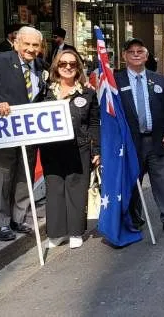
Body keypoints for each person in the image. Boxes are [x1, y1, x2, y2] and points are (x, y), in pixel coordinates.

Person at [0, 26, 48, 241]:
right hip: (4, 130)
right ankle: (0, 223)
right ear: (16, 43)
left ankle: (19, 218)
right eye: (26, 44)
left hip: (30, 132)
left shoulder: (41, 67)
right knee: (1, 176)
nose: (30, 49)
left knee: (24, 176)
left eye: (35, 45)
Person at [114, 38, 164, 236]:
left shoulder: (160, 80)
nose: (136, 54)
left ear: (146, 55)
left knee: (163, 183)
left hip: (158, 141)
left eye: (140, 51)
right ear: (125, 56)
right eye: (131, 51)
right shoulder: (116, 82)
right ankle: (134, 219)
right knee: (133, 184)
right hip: (131, 144)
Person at [40, 50, 99, 249]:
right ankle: (56, 233)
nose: (67, 67)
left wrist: (96, 148)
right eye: (63, 63)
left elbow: (93, 123)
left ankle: (75, 231)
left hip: (79, 147)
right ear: (57, 67)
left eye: (72, 64)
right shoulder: (45, 92)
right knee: (55, 189)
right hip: (51, 149)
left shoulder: (88, 93)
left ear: (78, 67)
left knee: (76, 188)